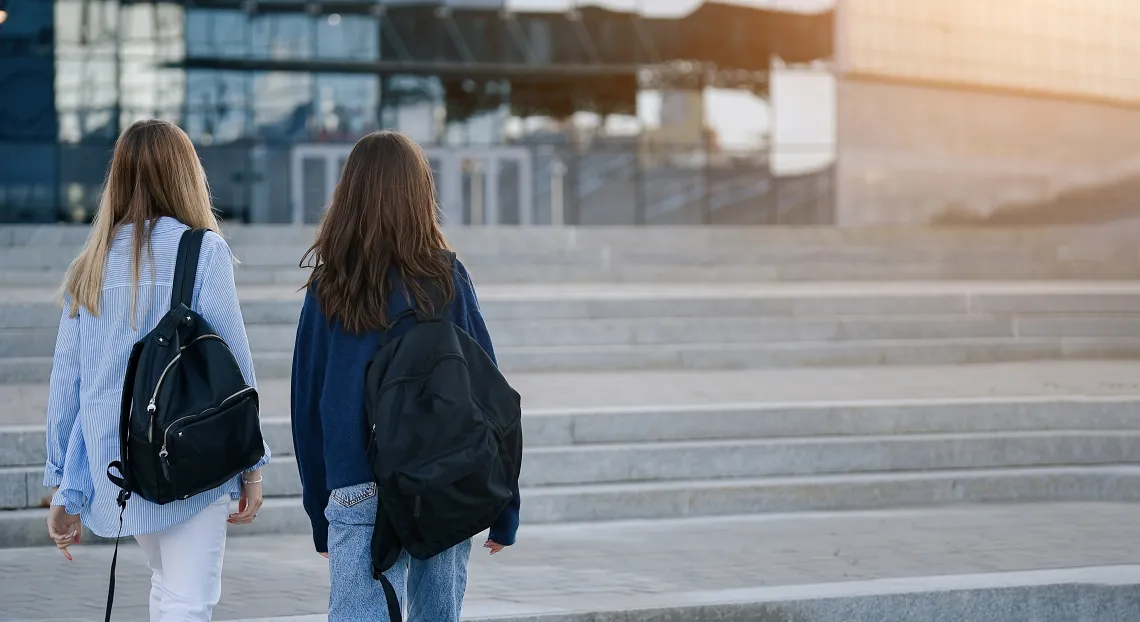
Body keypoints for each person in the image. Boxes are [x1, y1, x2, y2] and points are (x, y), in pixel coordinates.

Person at [44, 119, 269, 621]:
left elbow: (66, 385)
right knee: (189, 600)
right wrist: (251, 464)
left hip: (119, 465)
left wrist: (65, 483)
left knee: (169, 587)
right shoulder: (202, 250)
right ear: (186, 175)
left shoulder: (91, 265)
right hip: (193, 454)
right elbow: (234, 361)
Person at [291, 130, 519, 621]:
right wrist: (504, 507)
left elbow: (307, 407)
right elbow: (490, 398)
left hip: (357, 483)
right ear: (421, 196)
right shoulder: (445, 279)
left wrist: (320, 513)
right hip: (444, 473)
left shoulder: (330, 286)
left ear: (348, 195)